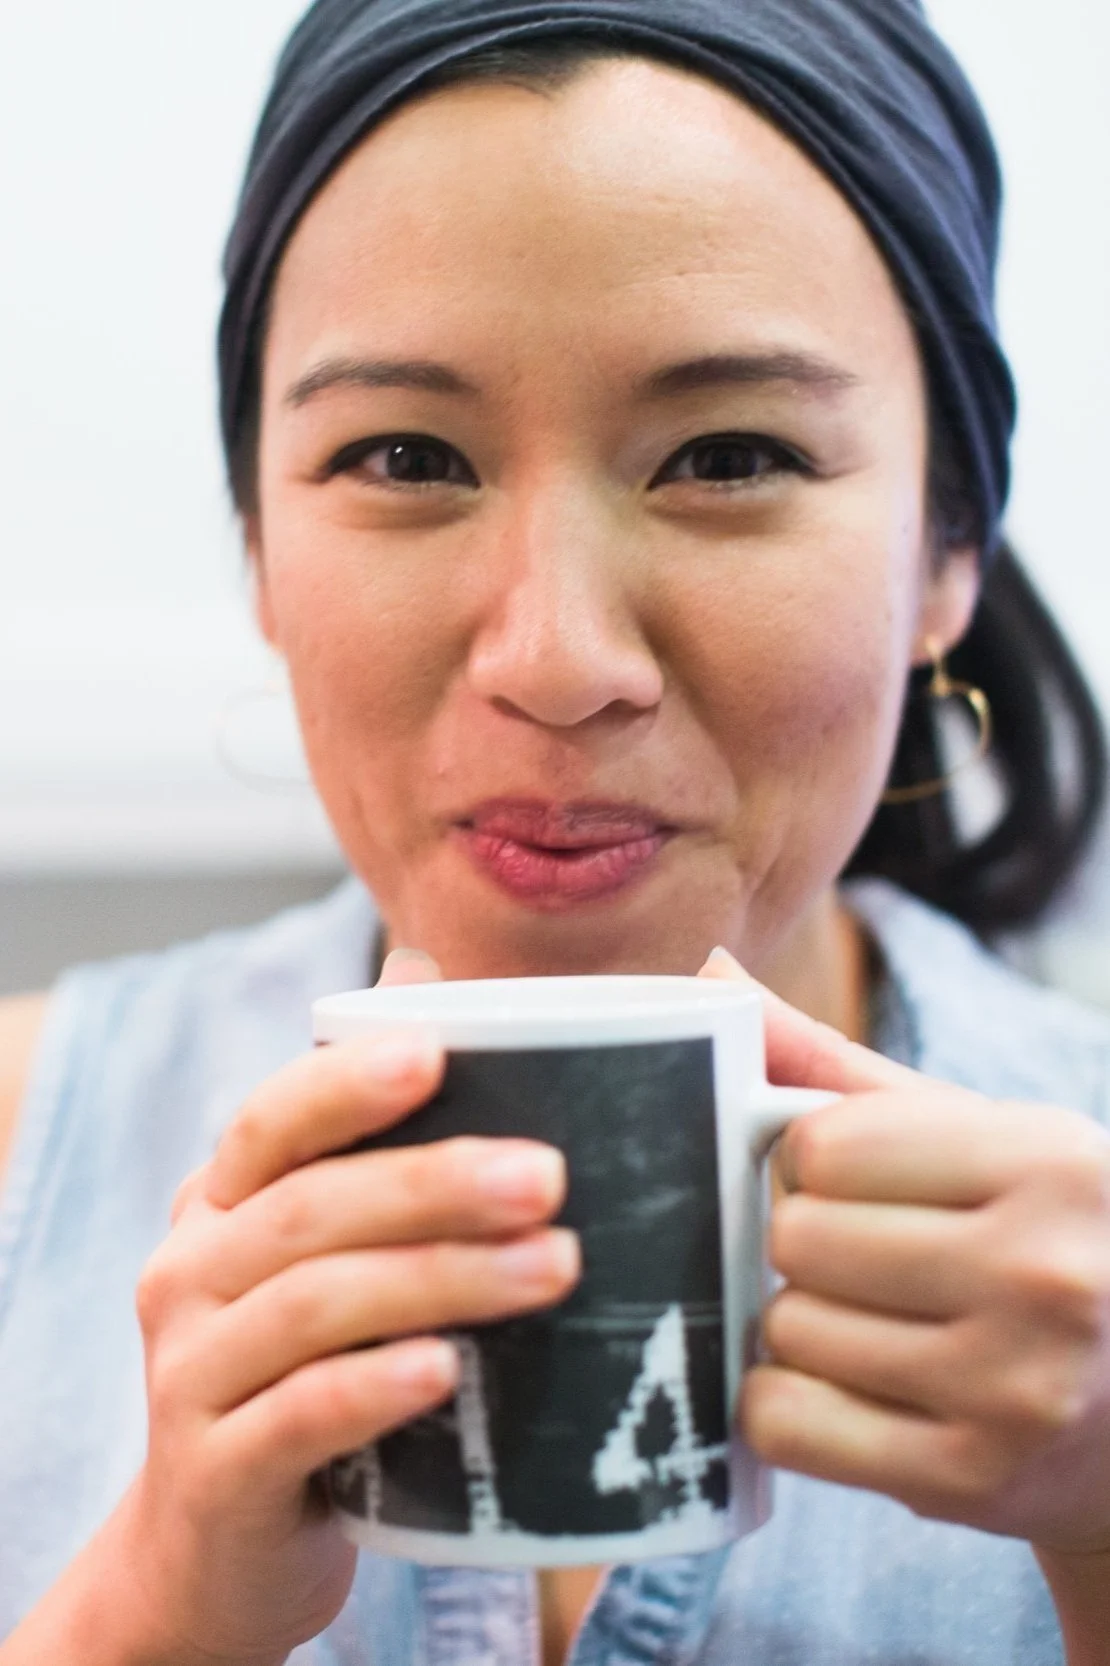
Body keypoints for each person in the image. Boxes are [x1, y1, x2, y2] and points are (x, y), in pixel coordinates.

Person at [2, 0, 1110, 1661]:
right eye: (403, 454)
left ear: (946, 550)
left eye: (727, 453)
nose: (557, 658)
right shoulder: (28, 1148)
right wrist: (151, 1604)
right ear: (255, 545)